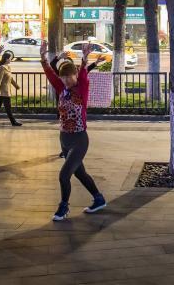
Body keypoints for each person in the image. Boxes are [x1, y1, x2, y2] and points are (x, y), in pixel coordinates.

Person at [40, 38, 106, 221]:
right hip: (64, 139)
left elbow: (84, 75)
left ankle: (63, 207)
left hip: (79, 140)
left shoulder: (81, 89)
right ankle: (99, 199)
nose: (67, 80)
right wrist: (43, 57)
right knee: (80, 173)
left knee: (64, 176)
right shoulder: (61, 89)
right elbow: (50, 73)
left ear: (75, 75)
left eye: (70, 76)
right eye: (63, 77)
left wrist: (85, 59)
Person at [0, 51, 22, 127]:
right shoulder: (1, 68)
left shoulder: (8, 67)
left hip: (7, 91)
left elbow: (10, 78)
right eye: (10, 58)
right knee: (7, 107)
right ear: (6, 59)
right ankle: (13, 122)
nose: (11, 60)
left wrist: (16, 86)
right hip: (3, 91)